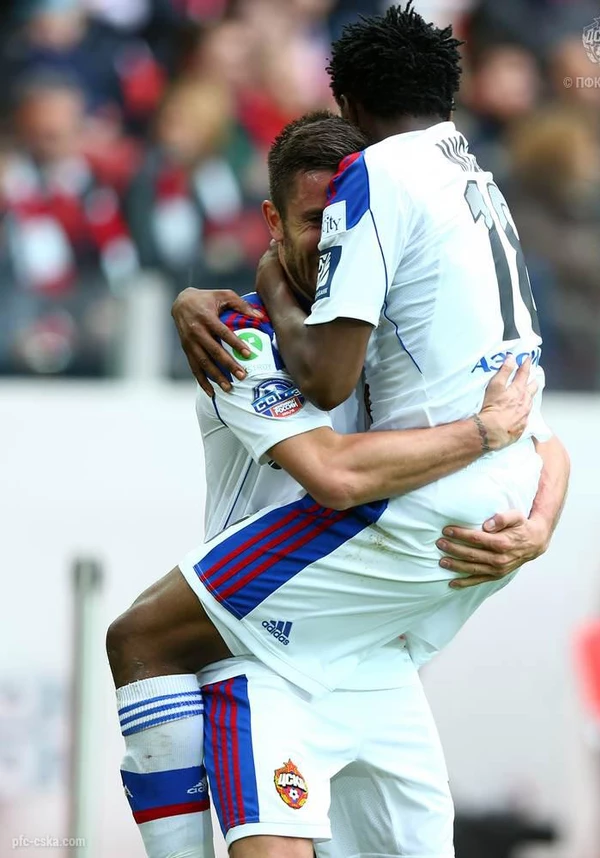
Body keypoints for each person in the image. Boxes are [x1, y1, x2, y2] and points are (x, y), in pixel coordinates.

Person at [108, 111, 548, 858]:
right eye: (314, 222)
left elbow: (546, 440)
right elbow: (334, 476)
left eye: (343, 223)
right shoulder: (238, 338)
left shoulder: (405, 332)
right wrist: (481, 433)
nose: (331, 240)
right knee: (139, 636)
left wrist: (536, 527)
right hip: (268, 655)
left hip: (379, 662)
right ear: (272, 222)